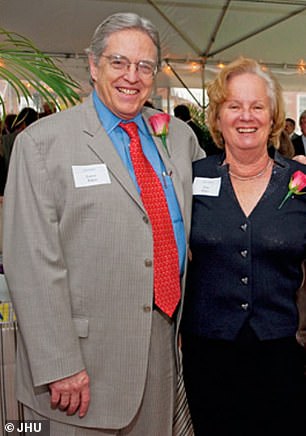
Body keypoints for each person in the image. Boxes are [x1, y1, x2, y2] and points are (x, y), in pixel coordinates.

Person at [3, 12, 204, 436]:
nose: (132, 76)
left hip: (161, 352)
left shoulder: (180, 139)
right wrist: (60, 365)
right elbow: (31, 261)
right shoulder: (42, 145)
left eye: (144, 65)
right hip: (79, 373)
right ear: (93, 66)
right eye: (118, 62)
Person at [181, 57, 306, 436]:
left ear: (272, 117)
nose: (245, 116)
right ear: (217, 118)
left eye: (257, 106)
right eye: (234, 106)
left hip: (284, 355)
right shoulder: (190, 178)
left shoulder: (301, 181)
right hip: (208, 356)